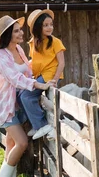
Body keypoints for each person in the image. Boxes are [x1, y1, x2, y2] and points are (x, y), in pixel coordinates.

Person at [0, 15, 53, 177]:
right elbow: (14, 78)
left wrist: (45, 66)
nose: (21, 33)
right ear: (7, 35)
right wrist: (37, 85)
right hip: (5, 105)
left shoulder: (18, 49)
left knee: (11, 142)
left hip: (19, 102)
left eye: (20, 29)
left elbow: (27, 71)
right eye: (16, 31)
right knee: (22, 143)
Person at [20, 9, 66, 140]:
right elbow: (33, 62)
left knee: (26, 97)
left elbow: (61, 63)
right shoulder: (33, 42)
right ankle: (36, 124)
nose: (49, 27)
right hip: (39, 76)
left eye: (51, 24)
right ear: (37, 27)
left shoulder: (55, 42)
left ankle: (42, 125)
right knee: (21, 95)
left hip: (50, 75)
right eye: (45, 25)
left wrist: (55, 80)